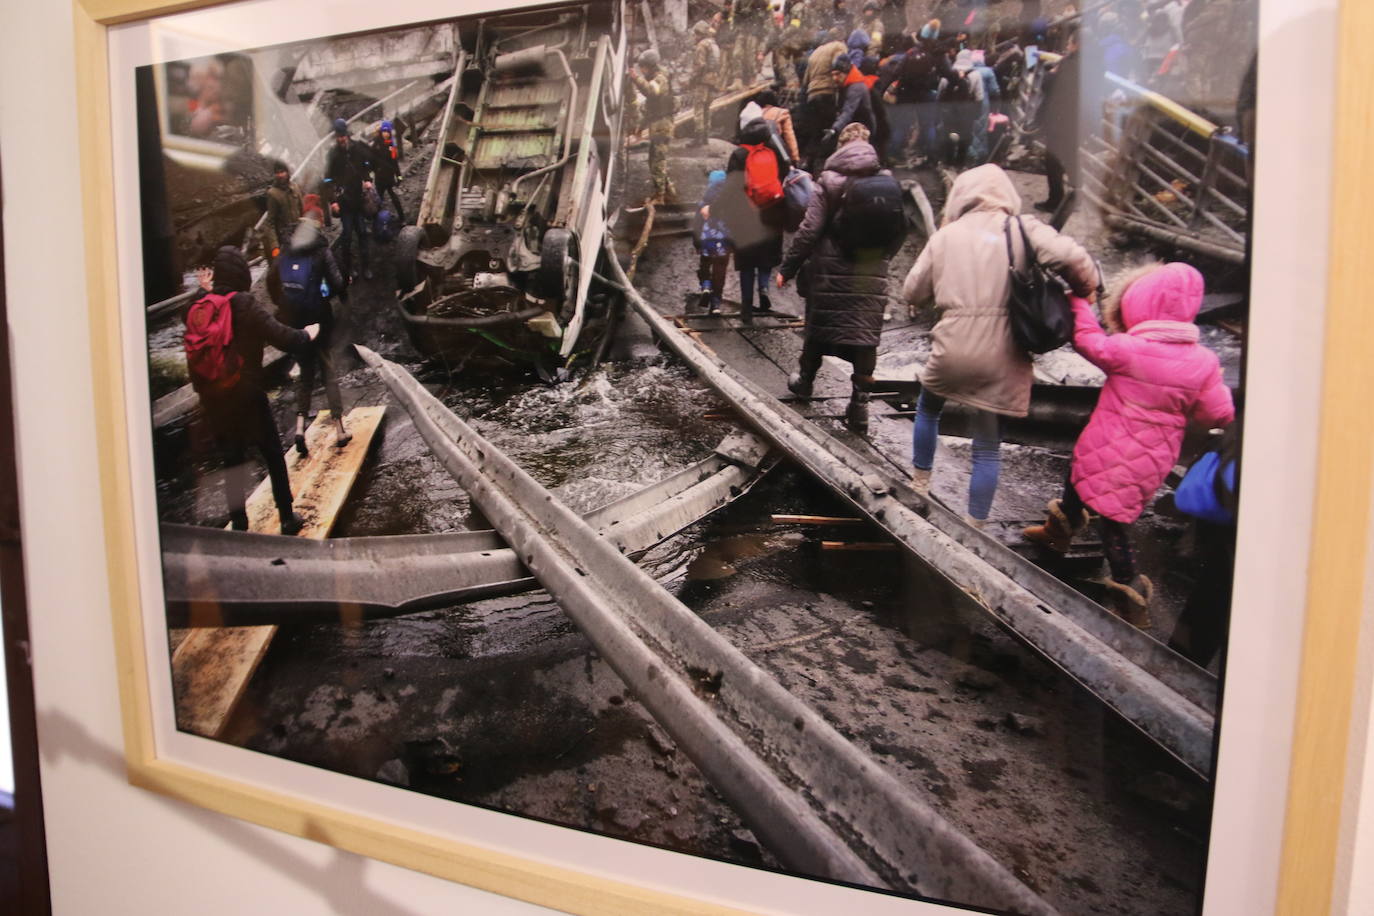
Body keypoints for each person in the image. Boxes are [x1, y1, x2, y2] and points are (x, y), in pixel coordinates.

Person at [1022, 263, 1235, 628]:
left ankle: (1129, 591)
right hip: (1153, 457)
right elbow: (1217, 413)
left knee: (1100, 507)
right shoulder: (1204, 362)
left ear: (1140, 304)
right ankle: (1059, 532)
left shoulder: (1127, 348)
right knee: (1099, 498)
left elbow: (1087, 339)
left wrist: (1078, 301)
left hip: (1105, 440)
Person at [901, 164, 1099, 526]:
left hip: (953, 349)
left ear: (961, 196)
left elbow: (912, 290)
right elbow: (1073, 258)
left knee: (929, 406)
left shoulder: (947, 235)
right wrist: (1085, 289)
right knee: (987, 446)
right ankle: (975, 524)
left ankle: (919, 483)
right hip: (1004, 354)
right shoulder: (1024, 229)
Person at [189, 246, 319, 534]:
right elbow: (282, 337)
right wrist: (307, 334)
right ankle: (287, 517)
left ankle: (239, 524)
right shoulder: (244, 303)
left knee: (231, 459)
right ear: (242, 274)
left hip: (213, 395)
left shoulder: (201, 304)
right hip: (246, 390)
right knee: (272, 452)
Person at [776, 123, 892, 432]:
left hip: (830, 268)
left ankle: (805, 383)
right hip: (871, 268)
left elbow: (809, 230)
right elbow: (896, 228)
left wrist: (787, 268)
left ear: (840, 147)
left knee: (819, 328)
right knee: (865, 335)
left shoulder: (828, 181)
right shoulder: (885, 181)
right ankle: (860, 406)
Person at [278, 205, 351, 456]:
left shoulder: (287, 248)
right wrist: (339, 291)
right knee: (328, 370)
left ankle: (300, 428)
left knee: (306, 374)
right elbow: (337, 281)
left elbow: (275, 282)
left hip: (297, 321)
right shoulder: (321, 250)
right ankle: (340, 428)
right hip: (319, 318)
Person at [719, 117, 790, 321]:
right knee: (766, 257)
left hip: (746, 215)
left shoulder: (740, 154)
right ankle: (764, 289)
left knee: (747, 263)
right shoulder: (775, 151)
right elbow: (785, 171)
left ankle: (747, 308)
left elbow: (732, 186)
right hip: (772, 212)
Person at [1034, 32, 1080, 221]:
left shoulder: (1070, 64)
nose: (1067, 47)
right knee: (1070, 156)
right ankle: (1076, 195)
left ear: (1076, 45)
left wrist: (1051, 74)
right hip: (1076, 118)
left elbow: (1049, 85)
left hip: (1061, 118)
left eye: (1069, 43)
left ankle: (1056, 200)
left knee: (1053, 160)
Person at [323, 118, 376, 281]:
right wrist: (333, 201)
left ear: (347, 134)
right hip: (344, 201)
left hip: (358, 198)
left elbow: (365, 167)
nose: (341, 138)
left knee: (362, 233)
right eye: (338, 136)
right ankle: (350, 268)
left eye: (343, 135)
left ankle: (366, 266)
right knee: (346, 236)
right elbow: (327, 181)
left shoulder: (356, 149)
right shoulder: (332, 155)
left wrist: (368, 180)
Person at [629, 48, 677, 202]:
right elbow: (651, 108)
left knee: (657, 160)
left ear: (650, 66)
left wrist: (635, 78)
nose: (641, 71)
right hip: (658, 124)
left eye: (643, 67)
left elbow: (651, 92)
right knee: (655, 159)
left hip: (662, 125)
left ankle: (660, 196)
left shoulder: (660, 79)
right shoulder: (655, 77)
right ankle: (668, 188)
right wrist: (640, 127)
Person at [695, 169, 731, 313]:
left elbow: (697, 224)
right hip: (724, 242)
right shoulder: (729, 203)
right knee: (720, 271)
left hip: (707, 240)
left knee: (705, 264)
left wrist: (696, 242)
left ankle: (706, 286)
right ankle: (716, 303)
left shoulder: (704, 202)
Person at [691, 21, 724, 146]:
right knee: (707, 109)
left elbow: (700, 65)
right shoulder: (714, 44)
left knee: (699, 108)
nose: (695, 37)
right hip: (713, 80)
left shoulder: (701, 45)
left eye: (696, 34)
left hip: (702, 81)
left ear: (700, 33)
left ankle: (698, 138)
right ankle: (705, 137)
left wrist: (693, 79)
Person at [370, 119, 406, 225]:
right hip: (380, 177)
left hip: (389, 177)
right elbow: (371, 159)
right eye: (384, 131)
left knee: (394, 197)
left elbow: (394, 162)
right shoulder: (376, 144)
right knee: (378, 199)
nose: (386, 134)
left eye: (387, 132)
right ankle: (377, 222)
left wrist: (399, 176)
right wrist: (375, 169)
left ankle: (402, 217)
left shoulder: (392, 145)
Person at [757, 88, 801, 163]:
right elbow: (789, 135)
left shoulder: (757, 114)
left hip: (760, 154)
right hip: (778, 150)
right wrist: (795, 157)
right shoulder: (782, 112)